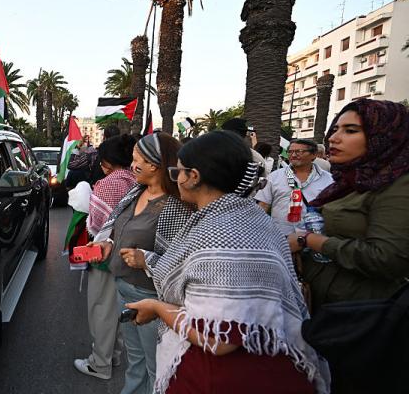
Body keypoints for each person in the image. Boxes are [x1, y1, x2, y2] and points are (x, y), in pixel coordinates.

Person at [126, 131, 330, 394]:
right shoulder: (255, 220)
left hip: (220, 376)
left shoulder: (220, 236)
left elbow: (218, 337)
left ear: (194, 177)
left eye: (180, 172)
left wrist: (156, 307)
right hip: (276, 364)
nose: (176, 179)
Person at [287, 99, 409, 393]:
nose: (333, 137)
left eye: (351, 130)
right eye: (336, 129)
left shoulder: (397, 186)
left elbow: (387, 257)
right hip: (325, 313)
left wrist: (311, 241)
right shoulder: (349, 180)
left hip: (363, 320)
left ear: (383, 136)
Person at [86, 132, 192, 394]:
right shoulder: (135, 192)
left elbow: (184, 260)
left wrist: (147, 259)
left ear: (155, 165)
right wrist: (107, 244)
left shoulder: (176, 206)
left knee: (156, 365)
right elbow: (117, 229)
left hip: (152, 298)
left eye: (136, 160)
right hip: (125, 289)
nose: (131, 165)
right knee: (136, 361)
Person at [74, 134, 137, 380]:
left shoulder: (108, 184)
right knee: (116, 308)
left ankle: (100, 364)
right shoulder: (136, 180)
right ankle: (114, 354)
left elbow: (98, 223)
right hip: (129, 254)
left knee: (101, 308)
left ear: (107, 162)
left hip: (104, 253)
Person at [255, 139, 333, 235]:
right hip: (280, 237)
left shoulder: (328, 179)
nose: (294, 155)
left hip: (315, 239)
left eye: (299, 151)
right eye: (290, 152)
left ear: (314, 154)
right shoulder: (275, 177)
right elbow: (263, 205)